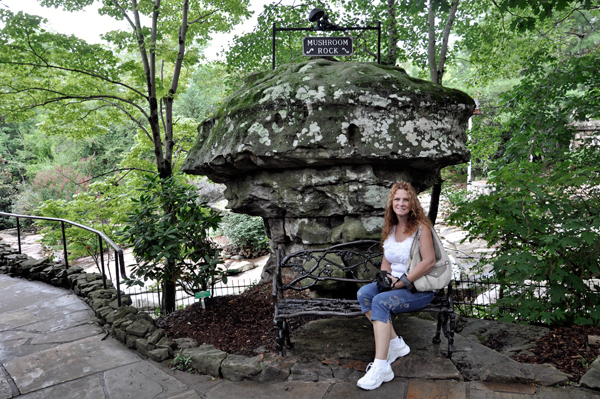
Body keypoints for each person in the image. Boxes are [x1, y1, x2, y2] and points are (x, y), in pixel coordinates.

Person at [356, 181, 437, 390]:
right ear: (392, 202)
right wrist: (385, 280)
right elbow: (387, 263)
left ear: (413, 203)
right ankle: (396, 344)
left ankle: (382, 366)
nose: (401, 203)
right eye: (397, 199)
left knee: (380, 303)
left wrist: (401, 282)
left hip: (417, 288)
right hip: (395, 285)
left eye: (406, 199)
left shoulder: (422, 227)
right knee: (365, 294)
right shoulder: (391, 228)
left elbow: (429, 261)